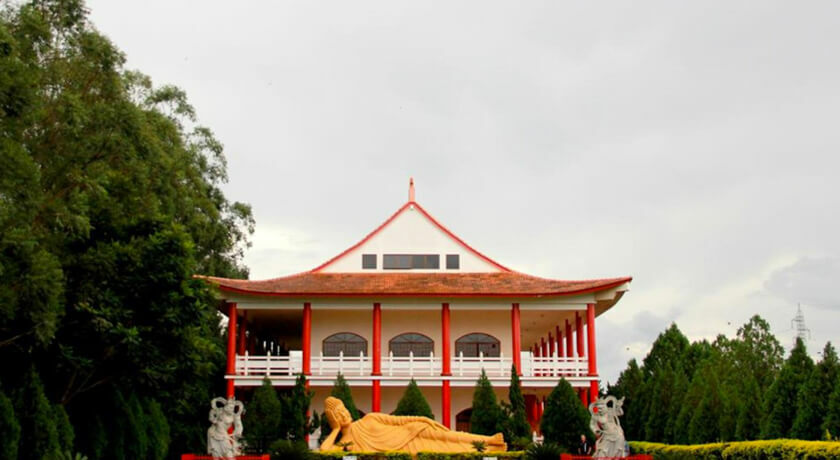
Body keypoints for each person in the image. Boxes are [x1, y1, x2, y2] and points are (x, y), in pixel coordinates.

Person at [320, 396, 506, 454]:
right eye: (339, 414)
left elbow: (399, 420)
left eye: (344, 410)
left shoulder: (370, 418)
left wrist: (422, 419)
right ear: (333, 418)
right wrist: (336, 429)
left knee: (451, 436)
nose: (344, 414)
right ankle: (488, 450)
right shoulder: (345, 443)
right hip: (409, 449)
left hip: (414, 430)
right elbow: (324, 451)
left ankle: (489, 440)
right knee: (448, 450)